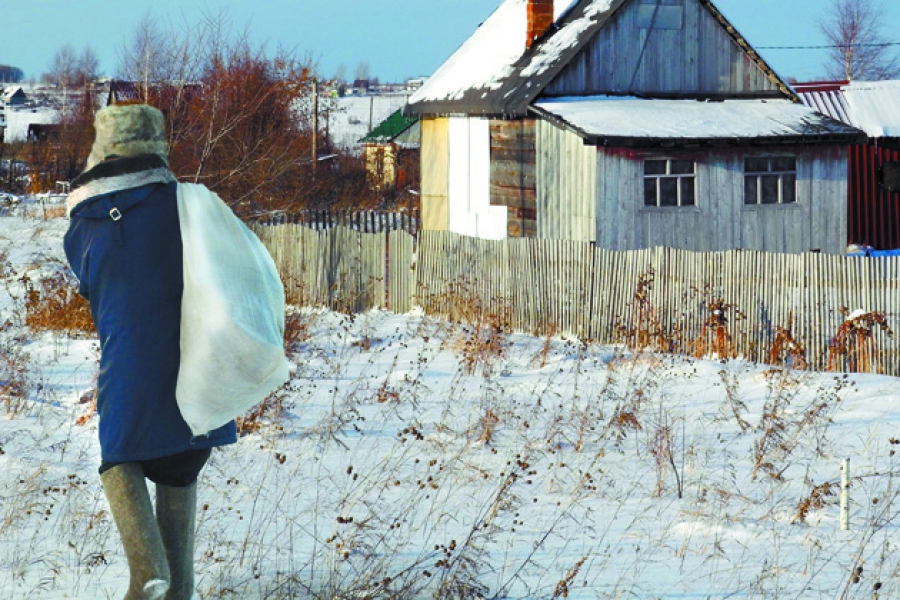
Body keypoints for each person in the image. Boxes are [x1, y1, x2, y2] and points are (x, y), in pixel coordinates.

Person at [64, 104, 238, 600]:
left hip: (128, 382)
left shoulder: (81, 227)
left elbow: (94, 288)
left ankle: (148, 573)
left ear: (104, 147)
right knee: (178, 571)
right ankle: (167, 582)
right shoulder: (189, 204)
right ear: (157, 144)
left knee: (120, 462)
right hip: (197, 382)